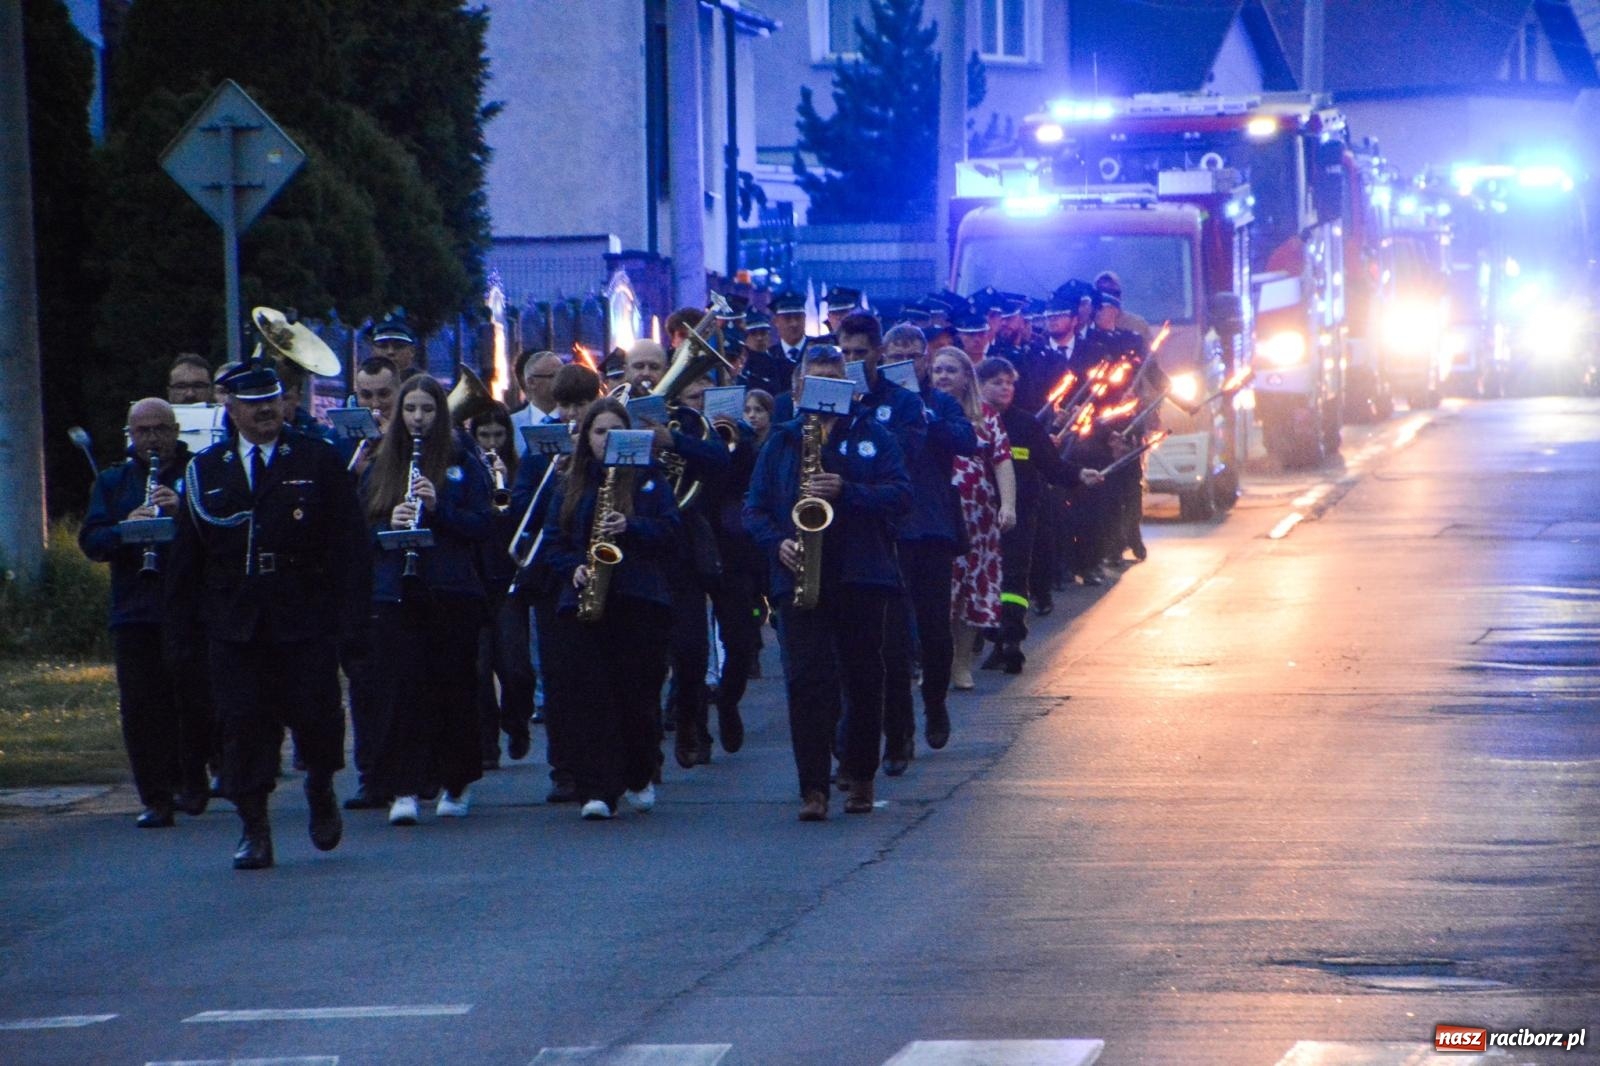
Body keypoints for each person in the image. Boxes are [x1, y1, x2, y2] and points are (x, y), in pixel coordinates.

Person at [165, 362, 370, 870]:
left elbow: (349, 549)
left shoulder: (317, 460)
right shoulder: (205, 471)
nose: (265, 411)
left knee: (317, 717)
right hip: (235, 622)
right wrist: (181, 634)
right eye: (253, 403)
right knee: (243, 726)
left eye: (272, 400)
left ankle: (320, 786)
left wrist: (354, 624)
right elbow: (187, 561)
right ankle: (254, 826)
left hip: (304, 615)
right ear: (230, 410)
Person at [743, 348, 911, 820]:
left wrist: (848, 489)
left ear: (849, 387)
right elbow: (752, 508)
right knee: (806, 681)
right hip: (799, 573)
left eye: (833, 382)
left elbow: (902, 495)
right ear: (797, 390)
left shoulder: (874, 436)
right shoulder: (781, 441)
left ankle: (860, 776)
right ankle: (813, 787)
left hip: (862, 573)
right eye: (813, 382)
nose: (823, 391)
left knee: (863, 679)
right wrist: (777, 544)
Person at [360, 375, 493, 826]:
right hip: (396, 590)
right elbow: (360, 533)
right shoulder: (381, 462)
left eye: (428, 410)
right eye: (411, 409)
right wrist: (388, 524)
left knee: (453, 687)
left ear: (441, 414)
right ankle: (404, 786)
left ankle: (455, 780)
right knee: (400, 689)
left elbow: (482, 524)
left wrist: (441, 510)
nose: (418, 418)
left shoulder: (462, 460)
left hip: (451, 590)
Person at [540, 399, 682, 820]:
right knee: (590, 698)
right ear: (586, 439)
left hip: (639, 600)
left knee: (636, 696)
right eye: (598, 433)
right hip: (585, 601)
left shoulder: (650, 479)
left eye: (614, 432)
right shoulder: (571, 483)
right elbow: (552, 542)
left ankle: (639, 774)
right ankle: (596, 789)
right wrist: (575, 568)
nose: (606, 441)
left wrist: (631, 526)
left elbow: (673, 531)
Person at [80, 398, 213, 828]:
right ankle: (155, 797)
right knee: (141, 707)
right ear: (130, 436)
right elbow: (92, 540)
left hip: (188, 607)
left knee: (192, 699)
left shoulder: (198, 474)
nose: (153, 439)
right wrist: (126, 529)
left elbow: (225, 530)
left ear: (176, 431)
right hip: (135, 610)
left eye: (161, 429)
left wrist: (183, 513)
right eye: (144, 431)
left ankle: (191, 781)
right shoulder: (114, 482)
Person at [876, 324, 976, 757]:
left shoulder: (939, 402)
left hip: (931, 527)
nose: (905, 364)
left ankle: (935, 701)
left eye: (912, 356)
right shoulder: (874, 402)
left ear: (923, 360)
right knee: (892, 637)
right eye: (894, 356)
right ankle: (899, 730)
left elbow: (966, 440)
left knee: (935, 631)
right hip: (888, 529)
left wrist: (921, 413)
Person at [511, 362, 602, 803]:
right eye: (565, 406)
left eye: (581, 405)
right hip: (552, 577)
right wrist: (557, 477)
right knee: (559, 675)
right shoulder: (541, 451)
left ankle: (599, 762)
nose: (572, 415)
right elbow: (520, 505)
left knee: (595, 674)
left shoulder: (604, 446)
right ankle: (563, 767)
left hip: (599, 570)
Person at [976, 358, 1102, 673]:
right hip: (978, 514)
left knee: (1014, 576)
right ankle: (991, 636)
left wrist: (1078, 475)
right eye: (997, 382)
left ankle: (1011, 640)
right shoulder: (970, 421)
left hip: (1020, 513)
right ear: (979, 386)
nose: (1005, 387)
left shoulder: (1026, 424)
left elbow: (1052, 465)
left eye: (1009, 382)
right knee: (984, 578)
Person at [929, 349, 1015, 690]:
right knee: (938, 591)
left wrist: (1008, 505)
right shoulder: (924, 411)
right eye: (937, 370)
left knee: (970, 591)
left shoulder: (985, 415)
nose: (943, 377)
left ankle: (961, 663)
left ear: (967, 376)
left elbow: (1002, 460)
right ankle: (936, 661)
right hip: (936, 515)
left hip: (977, 521)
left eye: (950, 370)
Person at [468, 402, 535, 769]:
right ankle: (486, 743)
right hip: (477, 579)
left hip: (509, 580)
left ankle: (517, 721)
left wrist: (508, 486)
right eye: (484, 436)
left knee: (516, 667)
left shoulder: (519, 471)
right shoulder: (466, 469)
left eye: (498, 435)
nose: (491, 443)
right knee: (479, 668)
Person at [742, 290, 809, 397]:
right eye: (787, 318)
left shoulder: (817, 350)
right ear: (776, 321)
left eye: (798, 317)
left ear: (805, 318)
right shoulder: (768, 357)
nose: (794, 323)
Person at [510, 350, 564, 456]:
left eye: (562, 375)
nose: (561, 381)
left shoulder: (574, 420)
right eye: (553, 376)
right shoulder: (511, 424)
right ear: (531, 382)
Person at [369, 312, 421, 377]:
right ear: (373, 350)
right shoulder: (362, 383)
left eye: (398, 346)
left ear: (412, 350)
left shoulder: (425, 385)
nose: (390, 352)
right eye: (383, 346)